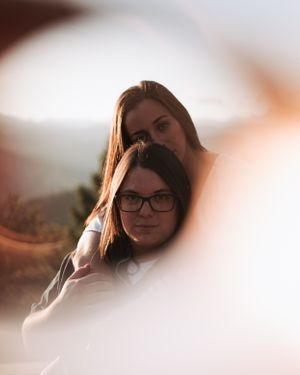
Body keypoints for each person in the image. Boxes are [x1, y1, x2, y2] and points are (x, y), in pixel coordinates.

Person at [22, 142, 191, 366]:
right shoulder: (92, 262)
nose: (145, 211)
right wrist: (60, 309)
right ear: (115, 204)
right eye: (132, 198)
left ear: (179, 201)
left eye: (160, 197)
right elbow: (32, 343)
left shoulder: (195, 270)